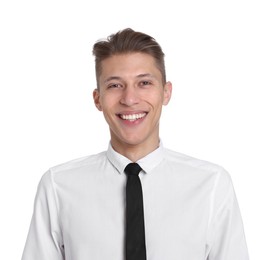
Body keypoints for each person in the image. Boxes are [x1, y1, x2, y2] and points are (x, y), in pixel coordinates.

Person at [22, 28, 249, 260]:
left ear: (166, 92)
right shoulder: (58, 186)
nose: (129, 99)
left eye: (144, 83)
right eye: (115, 85)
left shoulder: (211, 185)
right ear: (97, 99)